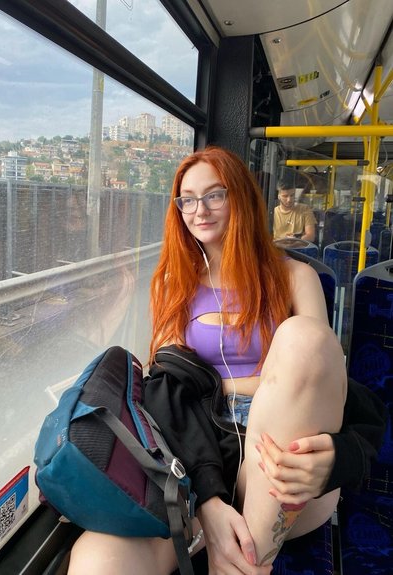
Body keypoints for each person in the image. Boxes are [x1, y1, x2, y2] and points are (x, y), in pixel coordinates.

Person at [68, 146, 386, 575]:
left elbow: (320, 375)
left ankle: (245, 561)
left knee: (305, 338)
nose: (199, 210)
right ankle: (224, 538)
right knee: (98, 561)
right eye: (187, 199)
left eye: (214, 195)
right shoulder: (171, 283)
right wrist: (209, 499)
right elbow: (168, 387)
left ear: (241, 197)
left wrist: (336, 454)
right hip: (194, 448)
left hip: (278, 449)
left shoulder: (296, 278)